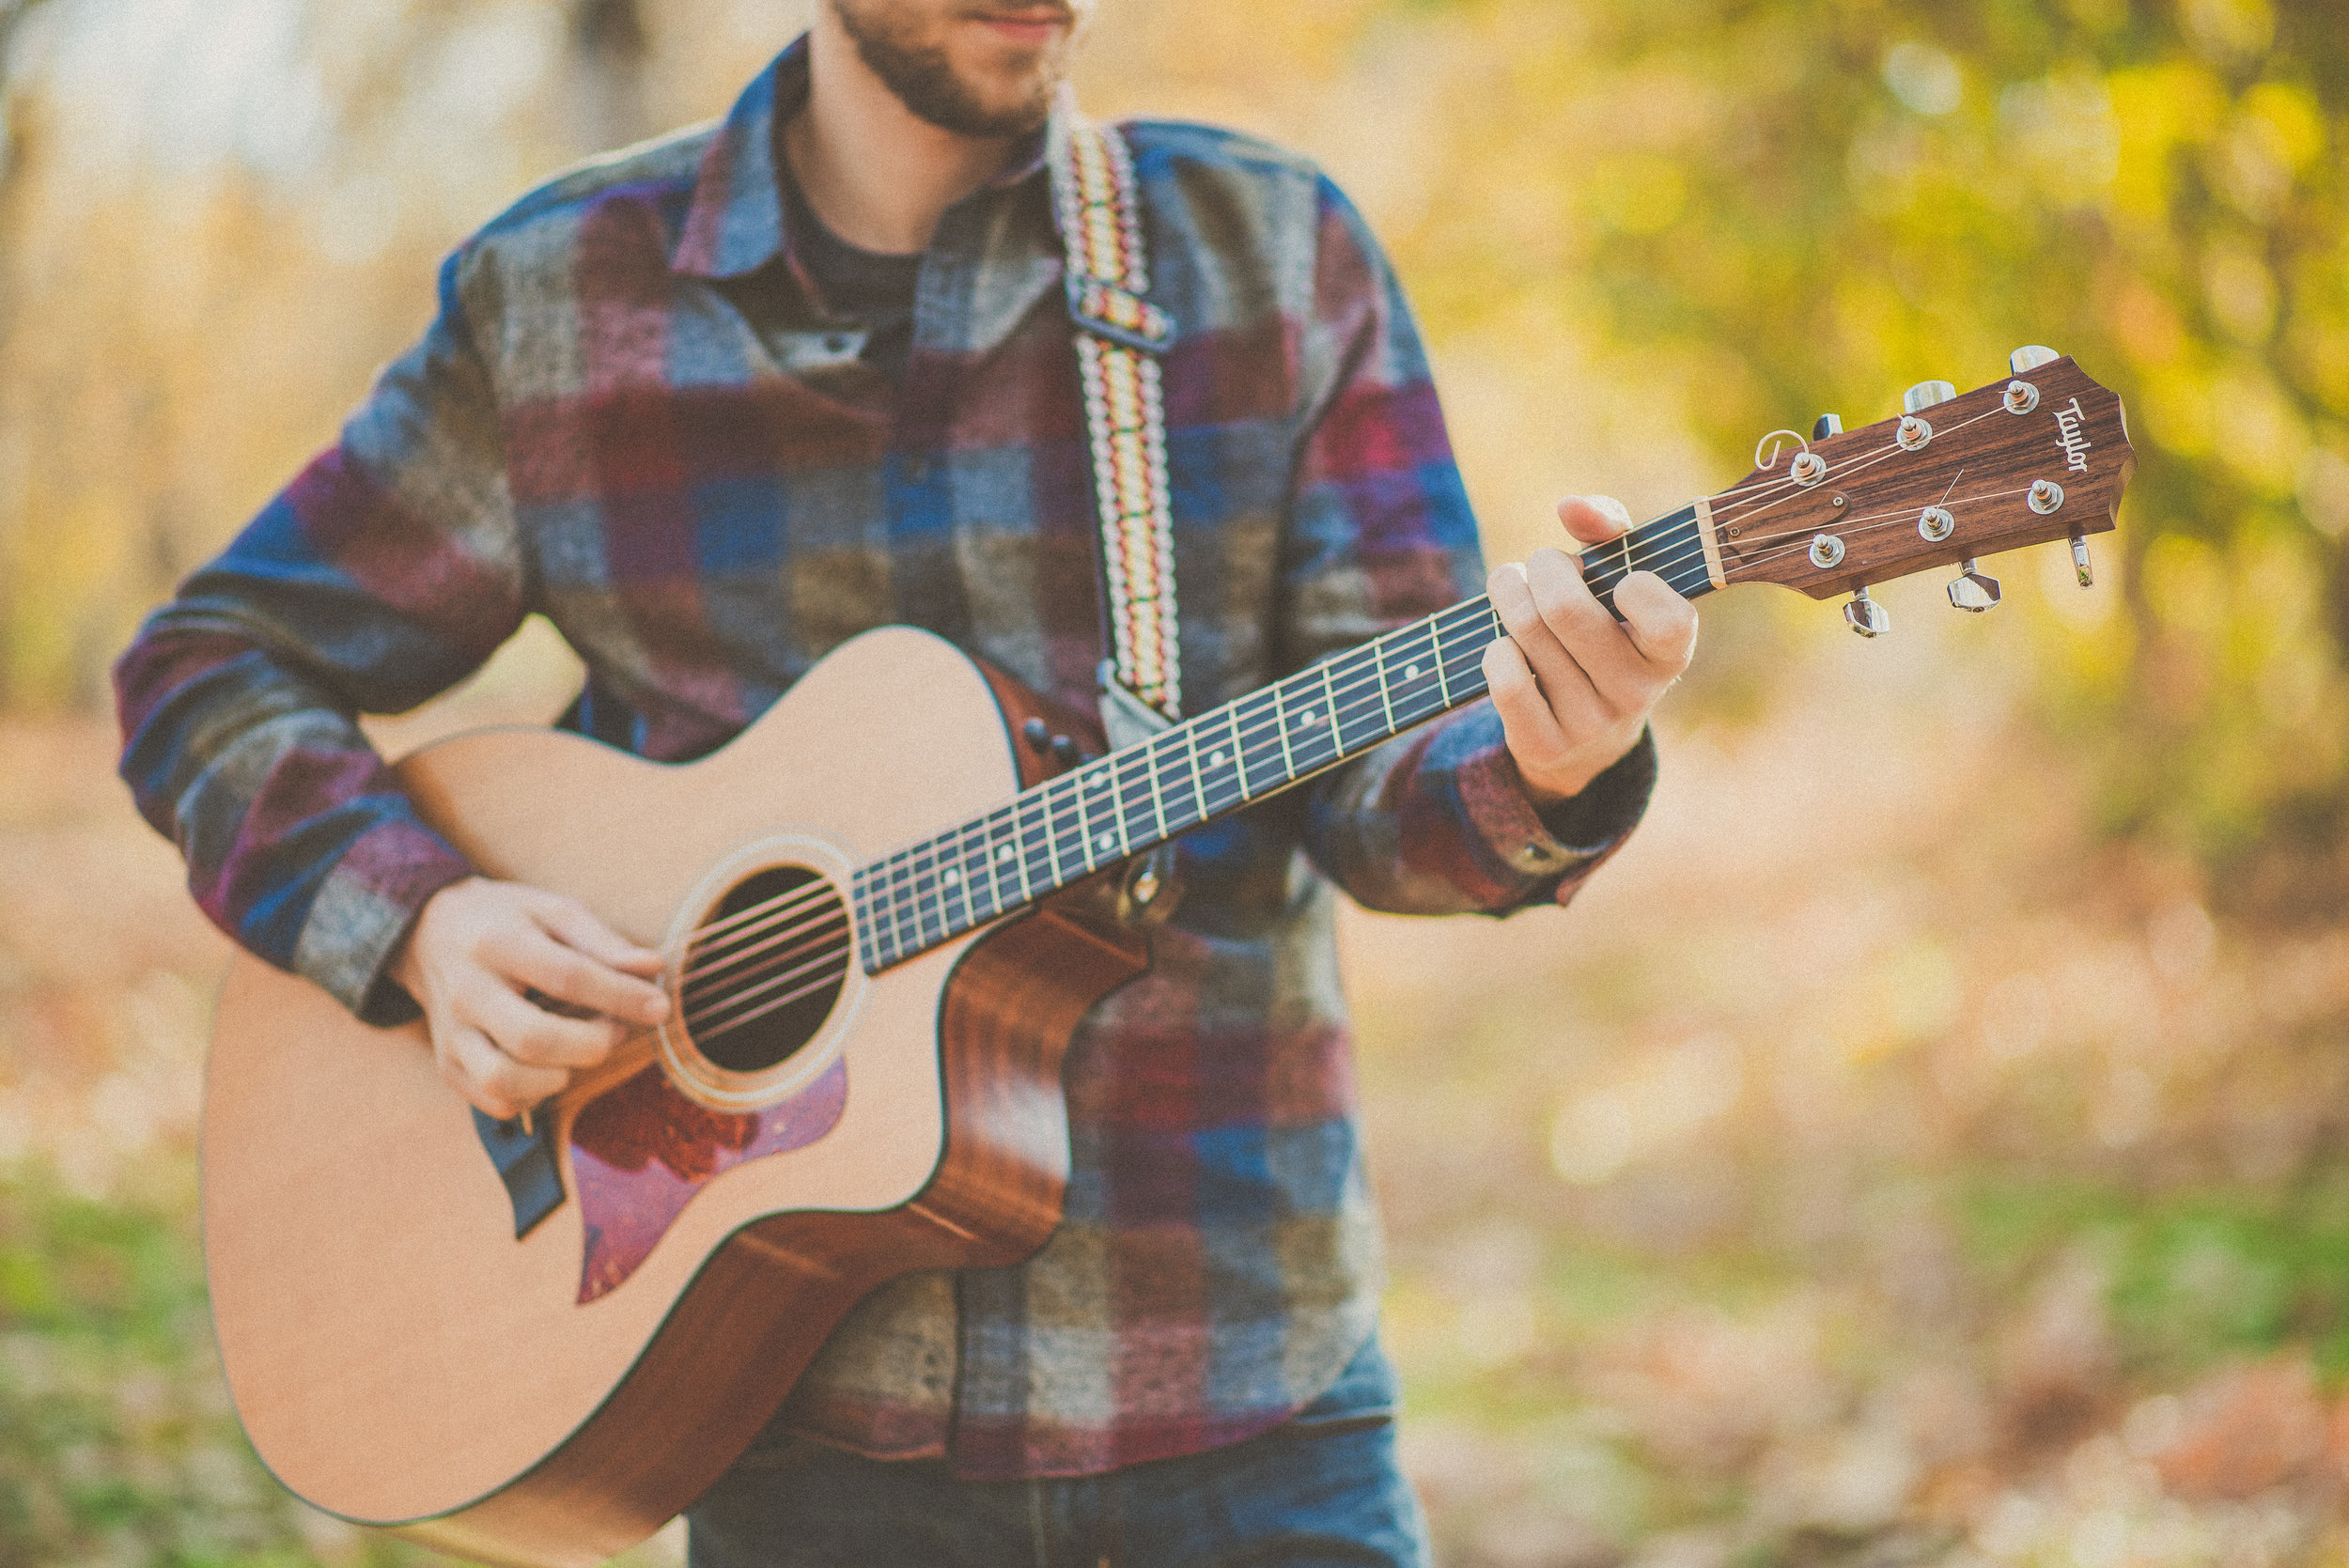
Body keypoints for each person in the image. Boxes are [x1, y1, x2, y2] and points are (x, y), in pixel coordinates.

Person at [115, 2, 1698, 1562]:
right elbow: (207, 669)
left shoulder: (1270, 254)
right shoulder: (563, 298)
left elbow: (1389, 799)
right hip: (784, 1411)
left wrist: (1555, 759)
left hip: (1237, 1385)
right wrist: (421, 924)